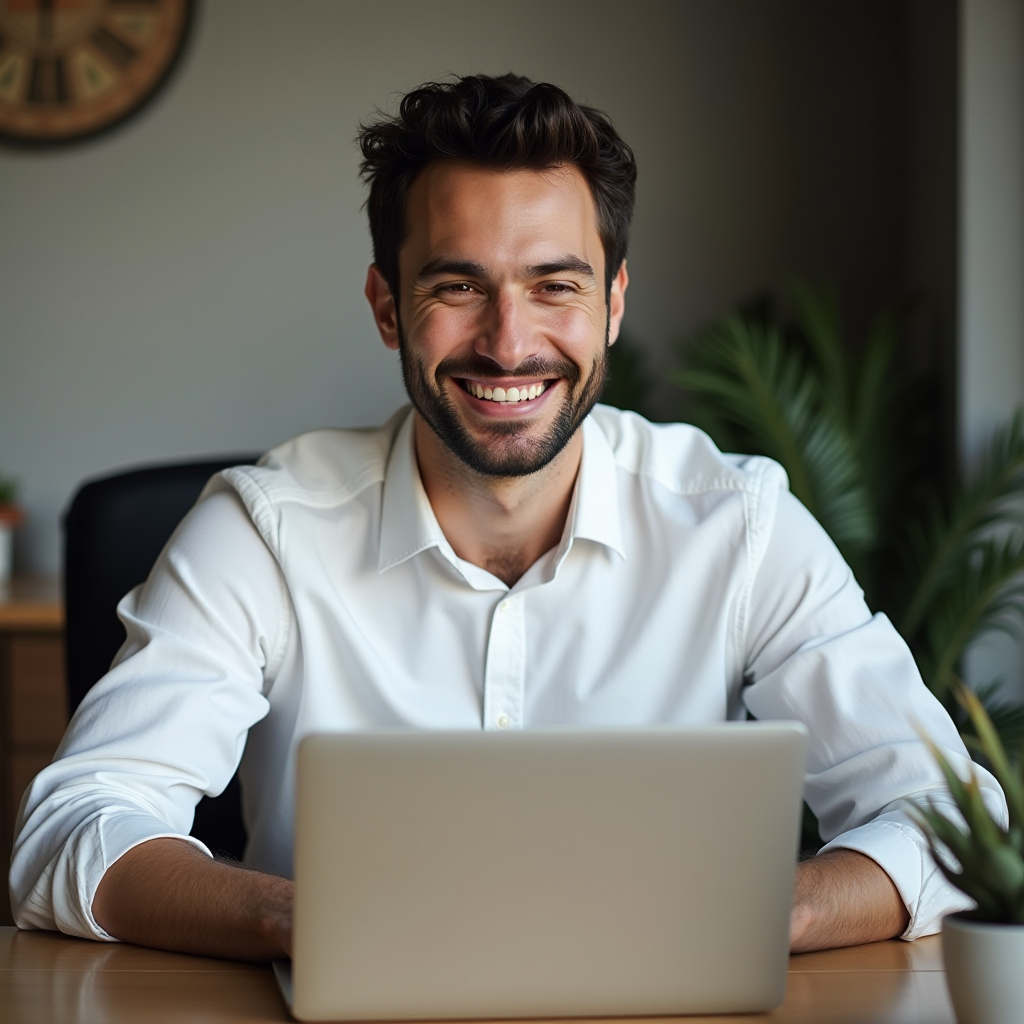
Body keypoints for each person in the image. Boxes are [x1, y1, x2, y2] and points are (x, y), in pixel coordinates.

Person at [10, 74, 1005, 962]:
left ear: (612, 303)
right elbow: (72, 830)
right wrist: (299, 918)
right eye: (457, 286)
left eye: (553, 285)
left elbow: (951, 821)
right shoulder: (264, 529)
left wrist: (750, 914)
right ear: (387, 305)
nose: (508, 341)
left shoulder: (736, 525)